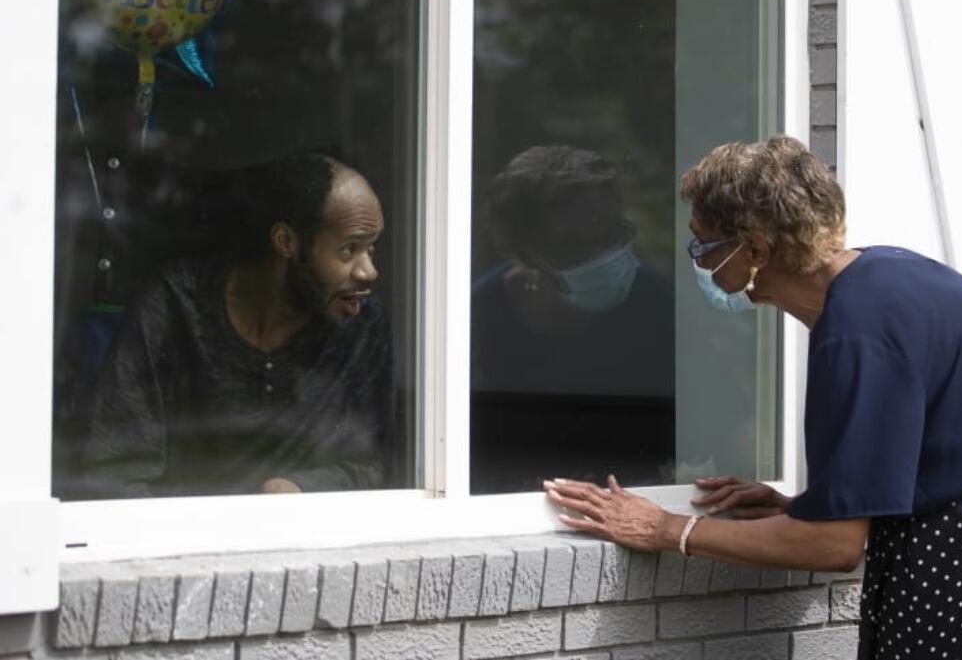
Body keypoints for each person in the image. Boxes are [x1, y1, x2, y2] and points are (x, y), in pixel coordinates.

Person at [544, 136, 962, 659]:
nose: (697, 261)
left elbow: (834, 546)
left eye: (702, 246)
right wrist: (805, 507)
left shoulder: (856, 333)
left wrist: (669, 528)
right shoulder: (891, 274)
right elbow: (934, 451)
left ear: (756, 251)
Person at [72, 153, 392, 498]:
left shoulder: (360, 322)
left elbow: (371, 464)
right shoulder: (176, 304)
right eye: (349, 250)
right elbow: (115, 470)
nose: (369, 271)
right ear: (286, 242)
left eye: (371, 249)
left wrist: (301, 488)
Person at [471, 145, 674, 493]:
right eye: (574, 243)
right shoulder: (479, 315)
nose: (602, 255)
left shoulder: (654, 303)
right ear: (526, 251)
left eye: (611, 234)